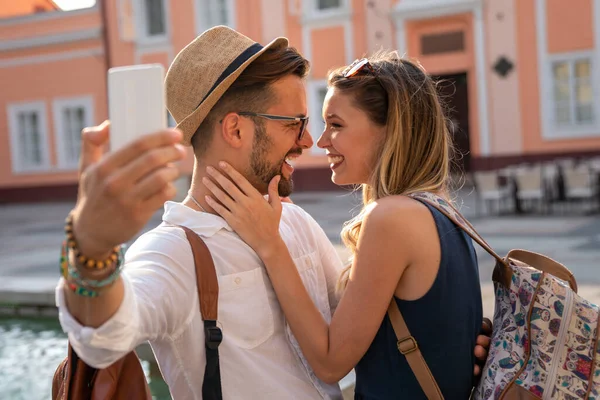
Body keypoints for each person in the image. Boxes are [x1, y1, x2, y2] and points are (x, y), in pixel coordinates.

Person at [57, 27, 489, 399]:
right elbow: (103, 337)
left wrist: (448, 338)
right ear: (236, 128)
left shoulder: (293, 221)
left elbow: (368, 325)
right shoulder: (172, 252)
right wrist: (91, 248)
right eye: (293, 124)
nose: (308, 142)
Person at [202, 51, 485, 398]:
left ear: (391, 130)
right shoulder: (442, 213)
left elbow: (331, 361)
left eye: (336, 125)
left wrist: (269, 243)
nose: (320, 142)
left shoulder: (391, 218)